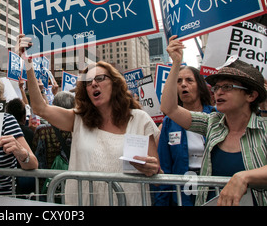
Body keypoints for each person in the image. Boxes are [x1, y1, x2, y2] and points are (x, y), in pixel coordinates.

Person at [17, 35, 160, 206]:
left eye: (99, 79)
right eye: (88, 82)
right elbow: (40, 108)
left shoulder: (140, 119)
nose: (93, 84)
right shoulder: (78, 120)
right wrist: (28, 64)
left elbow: (157, 174)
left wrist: (152, 169)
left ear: (114, 83)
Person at [161, 35, 267, 206]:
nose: (218, 92)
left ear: (251, 95)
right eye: (217, 87)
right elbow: (170, 108)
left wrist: (244, 177)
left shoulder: (264, 128)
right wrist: (176, 64)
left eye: (227, 87)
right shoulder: (212, 123)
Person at [155, 65, 215, 206]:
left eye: (189, 80)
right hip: (182, 192)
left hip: (214, 188)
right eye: (178, 81)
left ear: (200, 86)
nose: (183, 84)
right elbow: (165, 165)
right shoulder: (169, 122)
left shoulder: (216, 116)